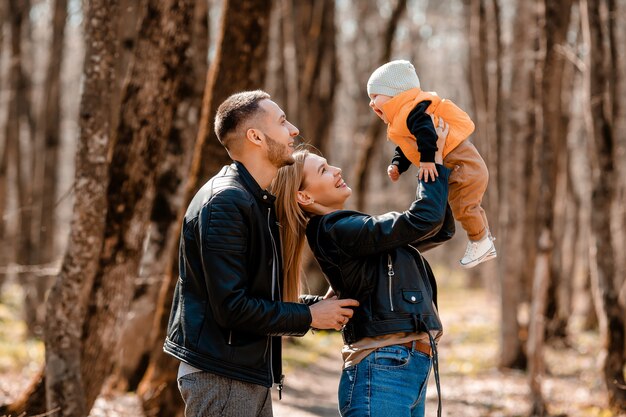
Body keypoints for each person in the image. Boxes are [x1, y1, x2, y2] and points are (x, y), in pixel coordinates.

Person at [164, 90, 359, 417]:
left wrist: (316, 307)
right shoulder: (225, 203)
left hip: (240, 371)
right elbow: (231, 309)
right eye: (282, 122)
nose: (294, 130)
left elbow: (256, 294)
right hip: (221, 375)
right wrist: (310, 317)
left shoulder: (254, 201)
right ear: (255, 136)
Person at [269, 117, 454, 417]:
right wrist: (431, 161)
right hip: (382, 370)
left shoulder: (346, 232)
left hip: (403, 368)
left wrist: (441, 169)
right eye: (323, 170)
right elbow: (423, 219)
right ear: (304, 196)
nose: (336, 170)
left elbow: (439, 229)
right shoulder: (334, 228)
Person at [367, 59, 496, 269]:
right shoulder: (405, 117)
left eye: (375, 96)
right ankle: (482, 239)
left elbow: (427, 134)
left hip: (464, 166)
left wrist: (428, 161)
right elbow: (409, 146)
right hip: (462, 167)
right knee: (466, 207)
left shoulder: (414, 111)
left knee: (465, 207)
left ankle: (481, 242)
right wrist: (398, 164)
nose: (372, 103)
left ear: (395, 94)